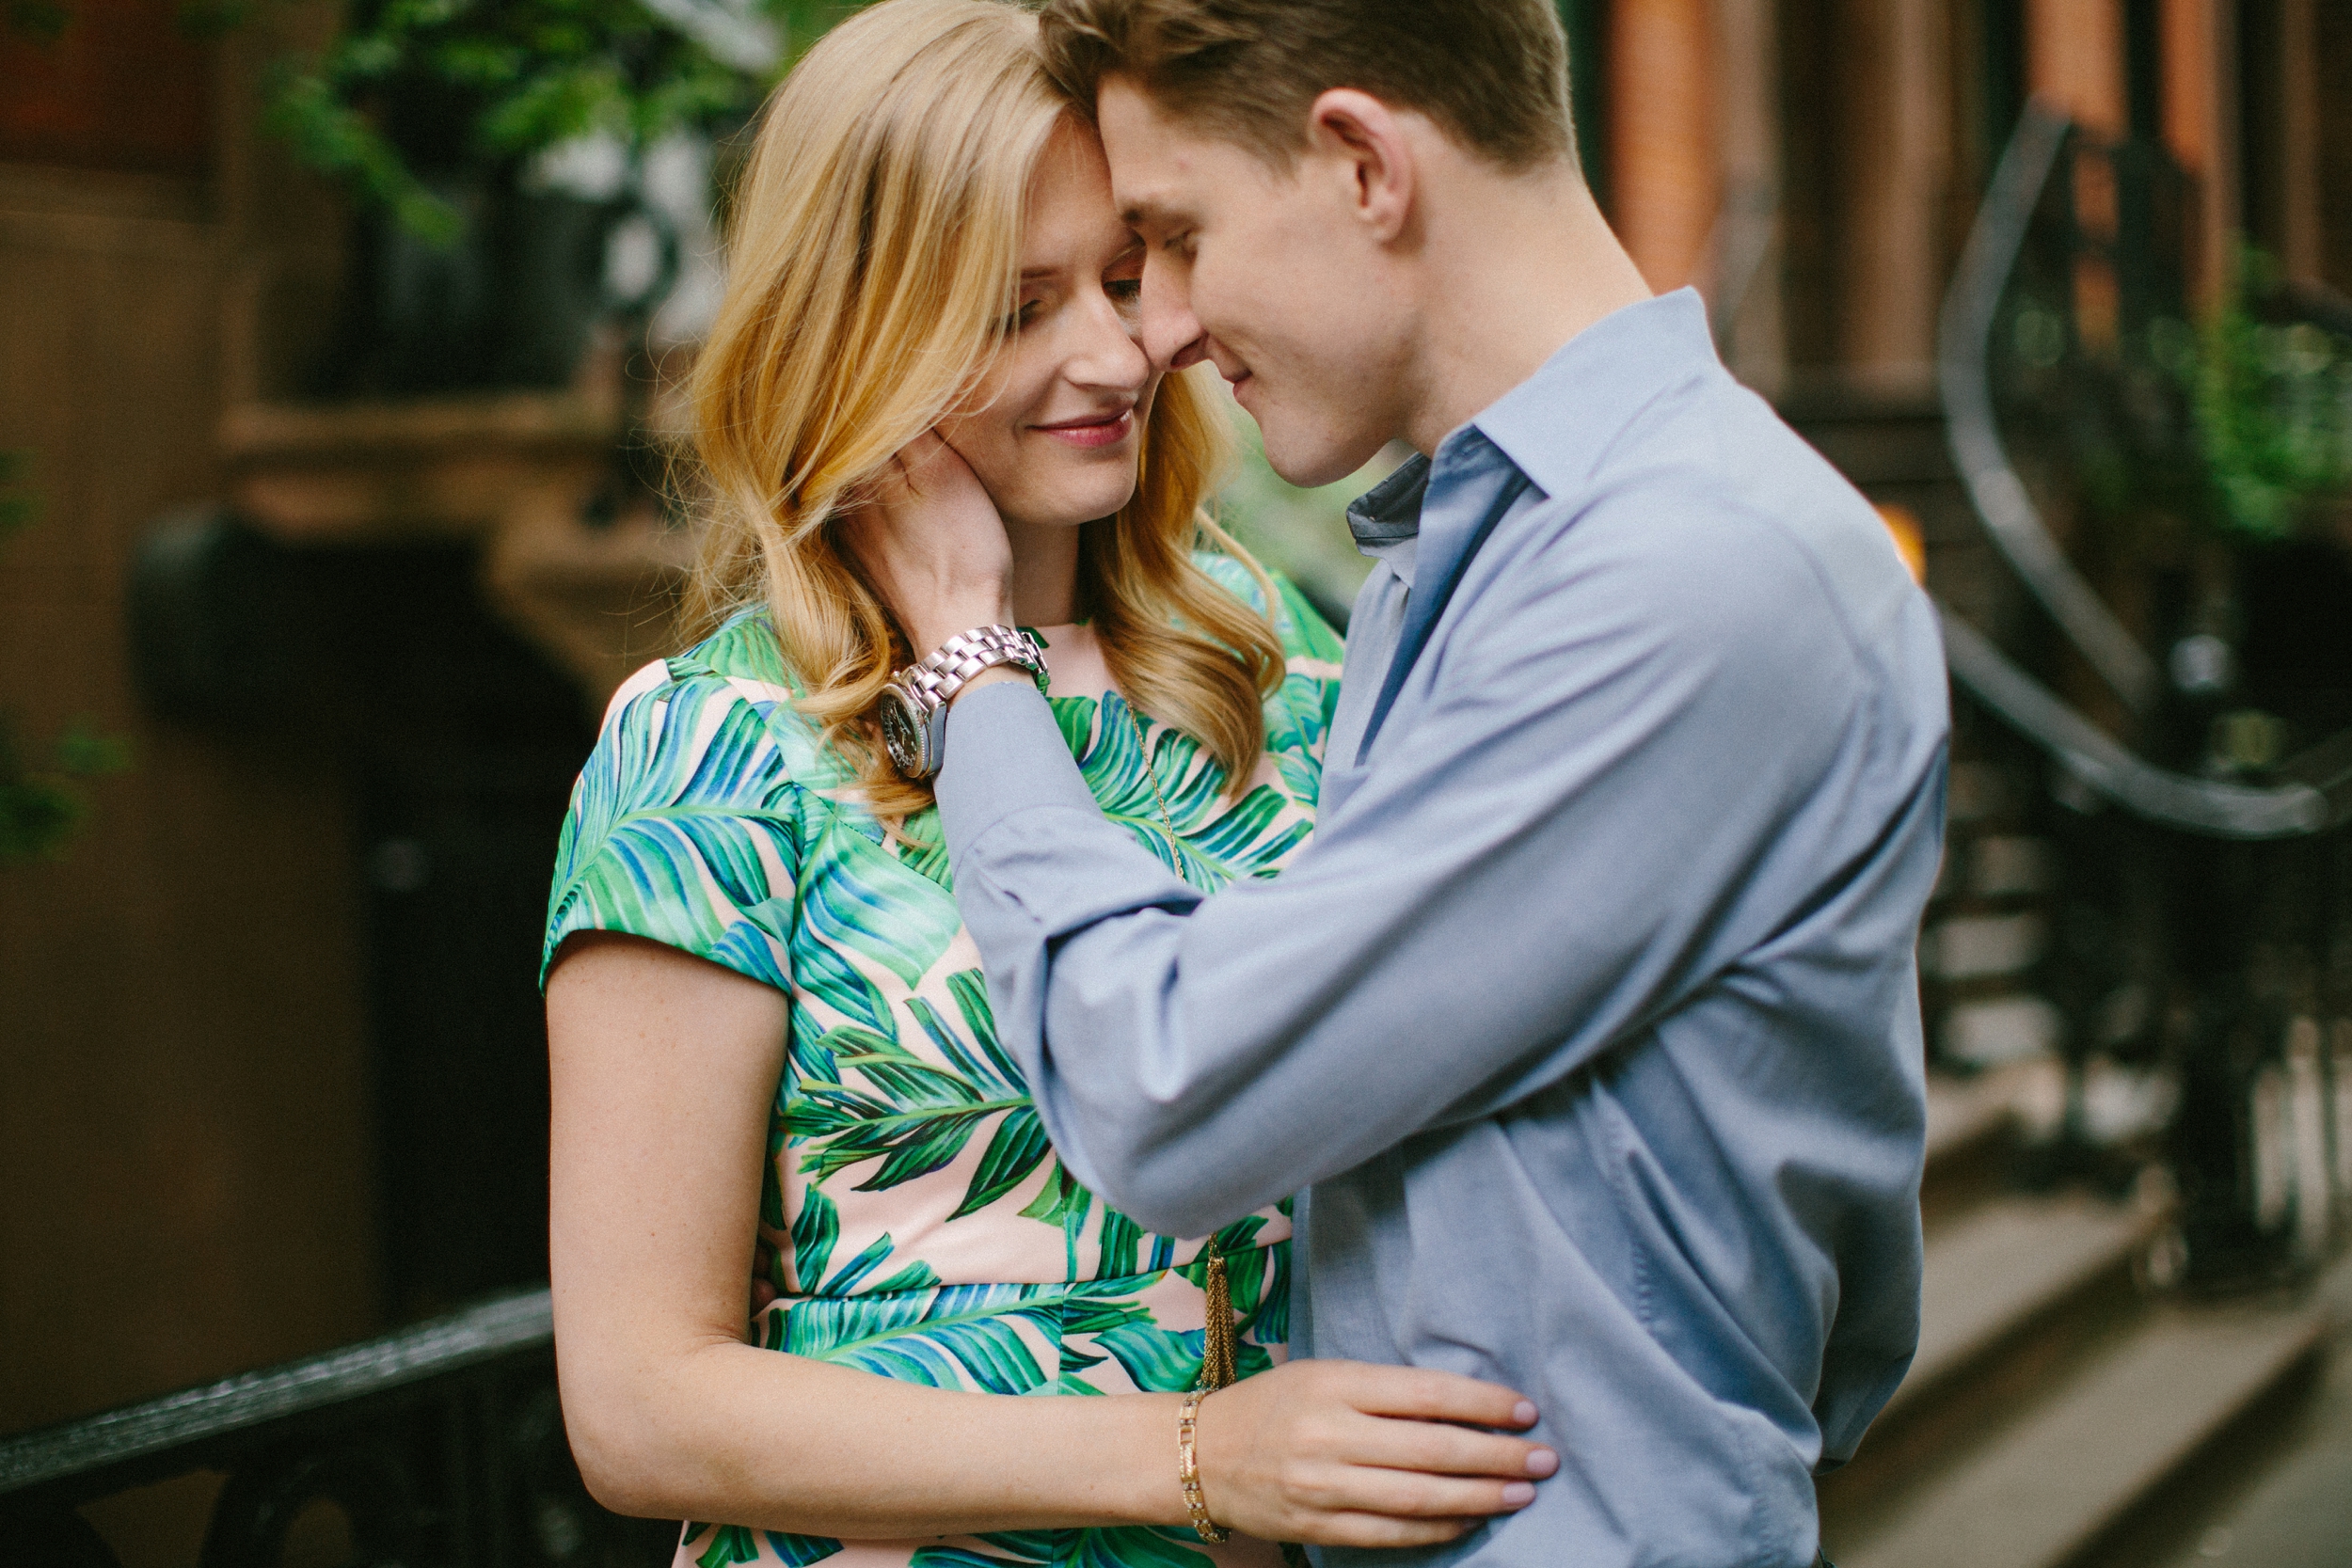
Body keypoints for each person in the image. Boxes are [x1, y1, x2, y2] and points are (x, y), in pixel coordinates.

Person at [842, 2, 1953, 1565]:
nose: (1154, 329)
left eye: (1172, 236)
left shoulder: (1687, 575)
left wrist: (966, 656)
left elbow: (1169, 1085)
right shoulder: (1476, 559)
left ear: (1364, 164)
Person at [539, 4, 1561, 1566]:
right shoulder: (713, 743)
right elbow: (639, 1406)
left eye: (1127, 275)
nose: (1117, 353)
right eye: (1014, 308)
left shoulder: (1270, 665)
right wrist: (1191, 1453)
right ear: (857, 331)